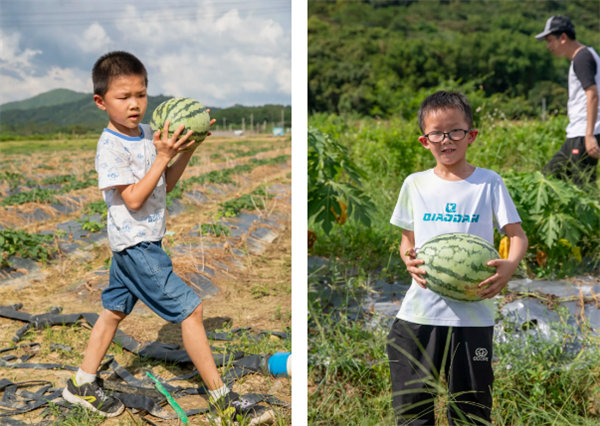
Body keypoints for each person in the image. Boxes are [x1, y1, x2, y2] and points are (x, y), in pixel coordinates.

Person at [61, 51, 240, 419]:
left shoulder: (147, 134)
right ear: (101, 101)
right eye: (123, 97)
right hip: (137, 245)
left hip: (139, 243)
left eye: (140, 95)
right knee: (191, 311)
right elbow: (134, 197)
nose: (134, 105)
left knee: (112, 313)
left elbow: (165, 185)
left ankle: (81, 382)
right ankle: (223, 400)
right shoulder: (109, 147)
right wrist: (161, 155)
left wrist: (185, 152)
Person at [386, 91, 528, 425]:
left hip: (472, 318)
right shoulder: (415, 184)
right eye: (437, 133)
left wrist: (509, 268)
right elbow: (407, 241)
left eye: (455, 131)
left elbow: (517, 235)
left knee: (470, 413)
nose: (446, 140)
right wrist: (408, 259)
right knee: (412, 412)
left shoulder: (488, 182)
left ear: (471, 135)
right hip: (419, 315)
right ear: (425, 140)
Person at [535, 15, 600, 185]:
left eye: (550, 40)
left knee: (582, 190)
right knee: (548, 178)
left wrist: (589, 136)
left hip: (583, 133)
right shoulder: (585, 55)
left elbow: (592, 94)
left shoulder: (582, 58)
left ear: (563, 37)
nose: (548, 46)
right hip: (578, 132)